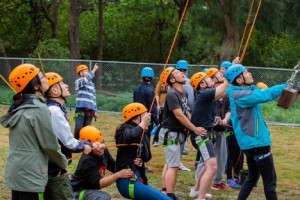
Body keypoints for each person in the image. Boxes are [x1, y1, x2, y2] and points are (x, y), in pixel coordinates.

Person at [0, 64, 68, 200]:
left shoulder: (20, 106)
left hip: (16, 171)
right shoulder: (39, 109)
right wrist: (63, 161)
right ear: (36, 85)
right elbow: (49, 145)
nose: (46, 79)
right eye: (42, 76)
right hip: (31, 174)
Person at [224, 63, 287, 200]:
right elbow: (265, 95)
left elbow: (255, 93)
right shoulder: (239, 95)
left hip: (251, 143)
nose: (250, 74)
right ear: (239, 80)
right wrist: (286, 87)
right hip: (257, 143)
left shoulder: (238, 92)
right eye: (246, 72)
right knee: (270, 182)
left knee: (252, 178)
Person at [44, 72, 99, 200]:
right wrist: (87, 146)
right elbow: (68, 142)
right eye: (62, 84)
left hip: (51, 166)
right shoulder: (54, 111)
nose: (67, 85)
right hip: (54, 168)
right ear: (55, 90)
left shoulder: (54, 109)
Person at [158, 67, 207, 200]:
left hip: (178, 133)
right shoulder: (172, 94)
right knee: (173, 166)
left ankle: (165, 190)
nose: (182, 73)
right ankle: (170, 195)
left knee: (171, 163)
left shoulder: (183, 92)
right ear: (172, 80)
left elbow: (186, 113)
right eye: (177, 73)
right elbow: (179, 115)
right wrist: (195, 129)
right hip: (171, 133)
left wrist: (194, 125)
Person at [115, 103, 172, 200]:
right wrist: (143, 124)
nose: (148, 119)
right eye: (145, 116)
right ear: (135, 118)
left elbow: (147, 156)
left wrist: (141, 160)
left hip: (137, 178)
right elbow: (130, 136)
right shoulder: (125, 130)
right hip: (127, 182)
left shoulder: (142, 132)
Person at [189, 71, 229, 200]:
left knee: (208, 166)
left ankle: (196, 190)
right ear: (202, 84)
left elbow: (225, 91)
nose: (210, 78)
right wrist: (233, 69)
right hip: (201, 135)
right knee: (212, 167)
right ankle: (201, 197)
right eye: (206, 78)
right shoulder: (204, 93)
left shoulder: (206, 94)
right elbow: (225, 86)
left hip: (205, 133)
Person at [71, 126, 131, 200]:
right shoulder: (87, 160)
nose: (100, 147)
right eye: (96, 145)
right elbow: (99, 183)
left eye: (101, 142)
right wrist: (117, 175)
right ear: (88, 146)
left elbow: (115, 167)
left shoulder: (104, 151)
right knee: (103, 197)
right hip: (78, 192)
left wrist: (130, 165)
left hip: (89, 190)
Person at [205, 68, 231, 190]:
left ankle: (218, 181)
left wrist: (225, 119)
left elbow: (228, 109)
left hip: (221, 129)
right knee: (206, 158)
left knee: (222, 156)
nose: (221, 75)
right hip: (209, 130)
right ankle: (201, 185)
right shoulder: (209, 92)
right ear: (212, 78)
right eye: (218, 74)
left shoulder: (226, 93)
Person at [133, 67, 159, 173]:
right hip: (146, 120)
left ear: (141, 77)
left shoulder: (136, 89)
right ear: (152, 78)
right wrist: (157, 122)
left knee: (137, 141)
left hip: (136, 119)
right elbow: (152, 108)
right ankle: (142, 164)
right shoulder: (151, 90)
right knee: (145, 142)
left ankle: (136, 162)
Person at [175, 60, 195, 159]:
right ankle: (182, 151)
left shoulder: (172, 81)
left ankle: (180, 151)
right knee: (182, 132)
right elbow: (191, 100)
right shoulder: (188, 82)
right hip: (184, 112)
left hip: (176, 111)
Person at [74, 63, 99, 139]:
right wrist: (94, 70)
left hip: (90, 111)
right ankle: (75, 141)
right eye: (85, 71)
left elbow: (93, 98)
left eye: (88, 71)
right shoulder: (78, 82)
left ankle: (85, 143)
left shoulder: (92, 85)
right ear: (81, 73)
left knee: (87, 128)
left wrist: (95, 110)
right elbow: (85, 80)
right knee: (78, 127)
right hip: (80, 110)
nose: (88, 72)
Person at [153, 80, 169, 147]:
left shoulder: (173, 82)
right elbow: (157, 94)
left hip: (169, 106)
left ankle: (166, 140)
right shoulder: (160, 83)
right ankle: (155, 140)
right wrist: (158, 105)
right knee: (160, 123)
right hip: (162, 106)